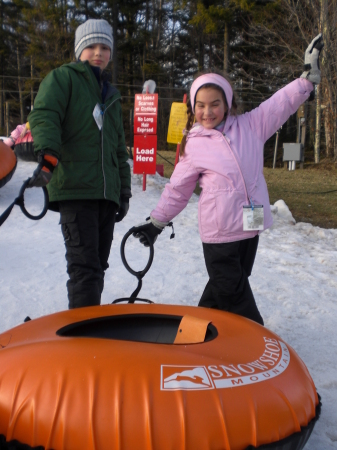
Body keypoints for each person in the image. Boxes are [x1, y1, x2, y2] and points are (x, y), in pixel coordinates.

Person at [132, 34, 323, 325]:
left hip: (250, 226)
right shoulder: (194, 143)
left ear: (227, 102)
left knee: (228, 285)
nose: (207, 112)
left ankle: (198, 333)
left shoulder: (251, 126)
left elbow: (278, 104)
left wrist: (305, 81)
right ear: (193, 107)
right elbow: (178, 189)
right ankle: (256, 338)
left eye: (215, 104)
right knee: (233, 289)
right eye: (201, 105)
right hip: (219, 232)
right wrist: (157, 221)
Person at [28, 19, 131, 309]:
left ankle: (89, 327)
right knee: (84, 269)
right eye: (91, 46)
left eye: (104, 47)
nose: (98, 52)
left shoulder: (111, 96)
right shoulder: (64, 78)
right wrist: (48, 153)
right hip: (75, 189)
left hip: (105, 196)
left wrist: (123, 191)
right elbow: (44, 114)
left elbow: (118, 148)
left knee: (98, 266)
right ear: (79, 50)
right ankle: (82, 341)